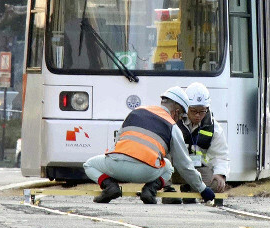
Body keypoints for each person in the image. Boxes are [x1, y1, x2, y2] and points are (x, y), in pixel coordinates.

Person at [83, 86, 215, 204]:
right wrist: (203, 189)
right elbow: (184, 164)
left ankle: (110, 187)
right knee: (168, 166)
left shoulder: (135, 112)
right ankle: (150, 190)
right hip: (146, 172)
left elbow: (117, 142)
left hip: (117, 167)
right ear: (176, 111)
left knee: (89, 164)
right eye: (180, 116)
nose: (179, 119)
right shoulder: (172, 126)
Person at [164, 82, 229, 204]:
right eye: (194, 111)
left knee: (216, 184)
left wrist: (220, 174)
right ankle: (168, 192)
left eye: (202, 111)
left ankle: (190, 189)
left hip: (197, 170)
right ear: (186, 107)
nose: (198, 115)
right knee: (164, 158)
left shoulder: (214, 128)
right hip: (175, 169)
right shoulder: (174, 121)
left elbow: (220, 155)